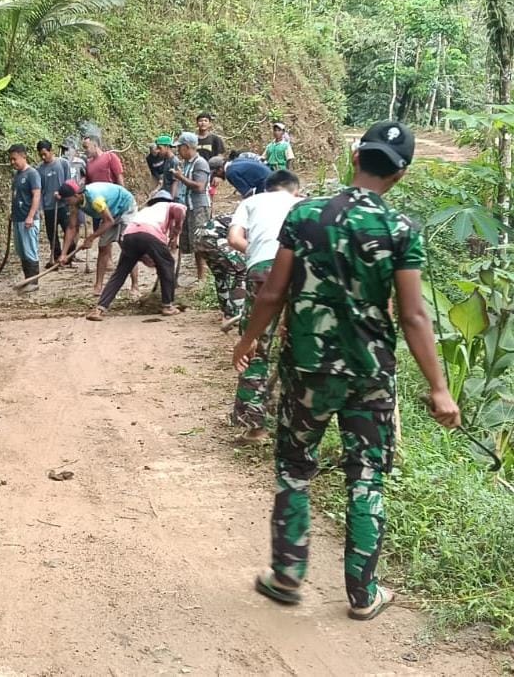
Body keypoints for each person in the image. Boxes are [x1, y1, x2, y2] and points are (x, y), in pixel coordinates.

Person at [234, 121, 460, 620]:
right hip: (371, 375)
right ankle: (363, 594)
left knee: (294, 470)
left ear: (356, 156)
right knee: (366, 479)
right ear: (400, 173)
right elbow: (413, 315)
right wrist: (440, 389)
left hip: (308, 371)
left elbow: (273, 291)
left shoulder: (305, 214)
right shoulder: (401, 231)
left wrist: (248, 341)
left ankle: (287, 577)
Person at [226, 170, 302, 442]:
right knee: (298, 348)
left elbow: (234, 239)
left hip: (262, 272)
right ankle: (296, 426)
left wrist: (259, 251)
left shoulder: (251, 202)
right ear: (295, 190)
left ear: (266, 188)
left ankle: (255, 427)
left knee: (254, 346)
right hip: (302, 272)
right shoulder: (302, 204)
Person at [85, 193, 185, 321]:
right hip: (149, 234)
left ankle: (99, 308)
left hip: (129, 235)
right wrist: (178, 230)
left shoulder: (146, 211)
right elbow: (181, 209)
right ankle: (168, 306)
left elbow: (143, 246)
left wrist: (152, 260)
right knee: (168, 264)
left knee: (120, 273)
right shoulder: (168, 205)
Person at [57, 180, 137, 295]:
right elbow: (71, 227)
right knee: (103, 247)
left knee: (127, 247)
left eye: (68, 200)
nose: (67, 203)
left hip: (125, 207)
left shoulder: (95, 199)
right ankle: (98, 286)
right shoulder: (74, 203)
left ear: (76, 195)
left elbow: (109, 221)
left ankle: (135, 286)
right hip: (110, 213)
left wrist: (91, 238)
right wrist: (64, 253)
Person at [172, 132, 212, 283]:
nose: (178, 151)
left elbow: (200, 187)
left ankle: (202, 278)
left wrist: (180, 177)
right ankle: (177, 276)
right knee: (187, 241)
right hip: (188, 206)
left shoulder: (200, 163)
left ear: (187, 147)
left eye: (180, 147)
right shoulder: (187, 164)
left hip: (199, 207)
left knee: (199, 242)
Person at [194, 214, 247, 321]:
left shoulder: (239, 215)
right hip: (215, 238)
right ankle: (236, 313)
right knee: (242, 271)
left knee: (220, 274)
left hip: (199, 237)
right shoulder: (249, 220)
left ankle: (226, 312)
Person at [9, 143, 43, 290]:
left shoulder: (32, 174)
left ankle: (34, 282)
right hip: (18, 218)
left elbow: (36, 195)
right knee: (21, 250)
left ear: (23, 156)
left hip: (28, 219)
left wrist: (30, 216)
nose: (12, 162)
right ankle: (26, 280)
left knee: (30, 250)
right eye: (10, 159)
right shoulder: (17, 175)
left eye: (14, 159)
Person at [37, 139, 73, 263]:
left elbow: (69, 183)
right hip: (49, 207)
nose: (43, 157)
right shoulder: (39, 169)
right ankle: (57, 257)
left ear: (51, 151)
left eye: (45, 154)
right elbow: (39, 191)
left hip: (63, 205)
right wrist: (40, 208)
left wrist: (63, 194)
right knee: (51, 234)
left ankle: (69, 254)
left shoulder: (63, 164)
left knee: (68, 229)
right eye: (40, 155)